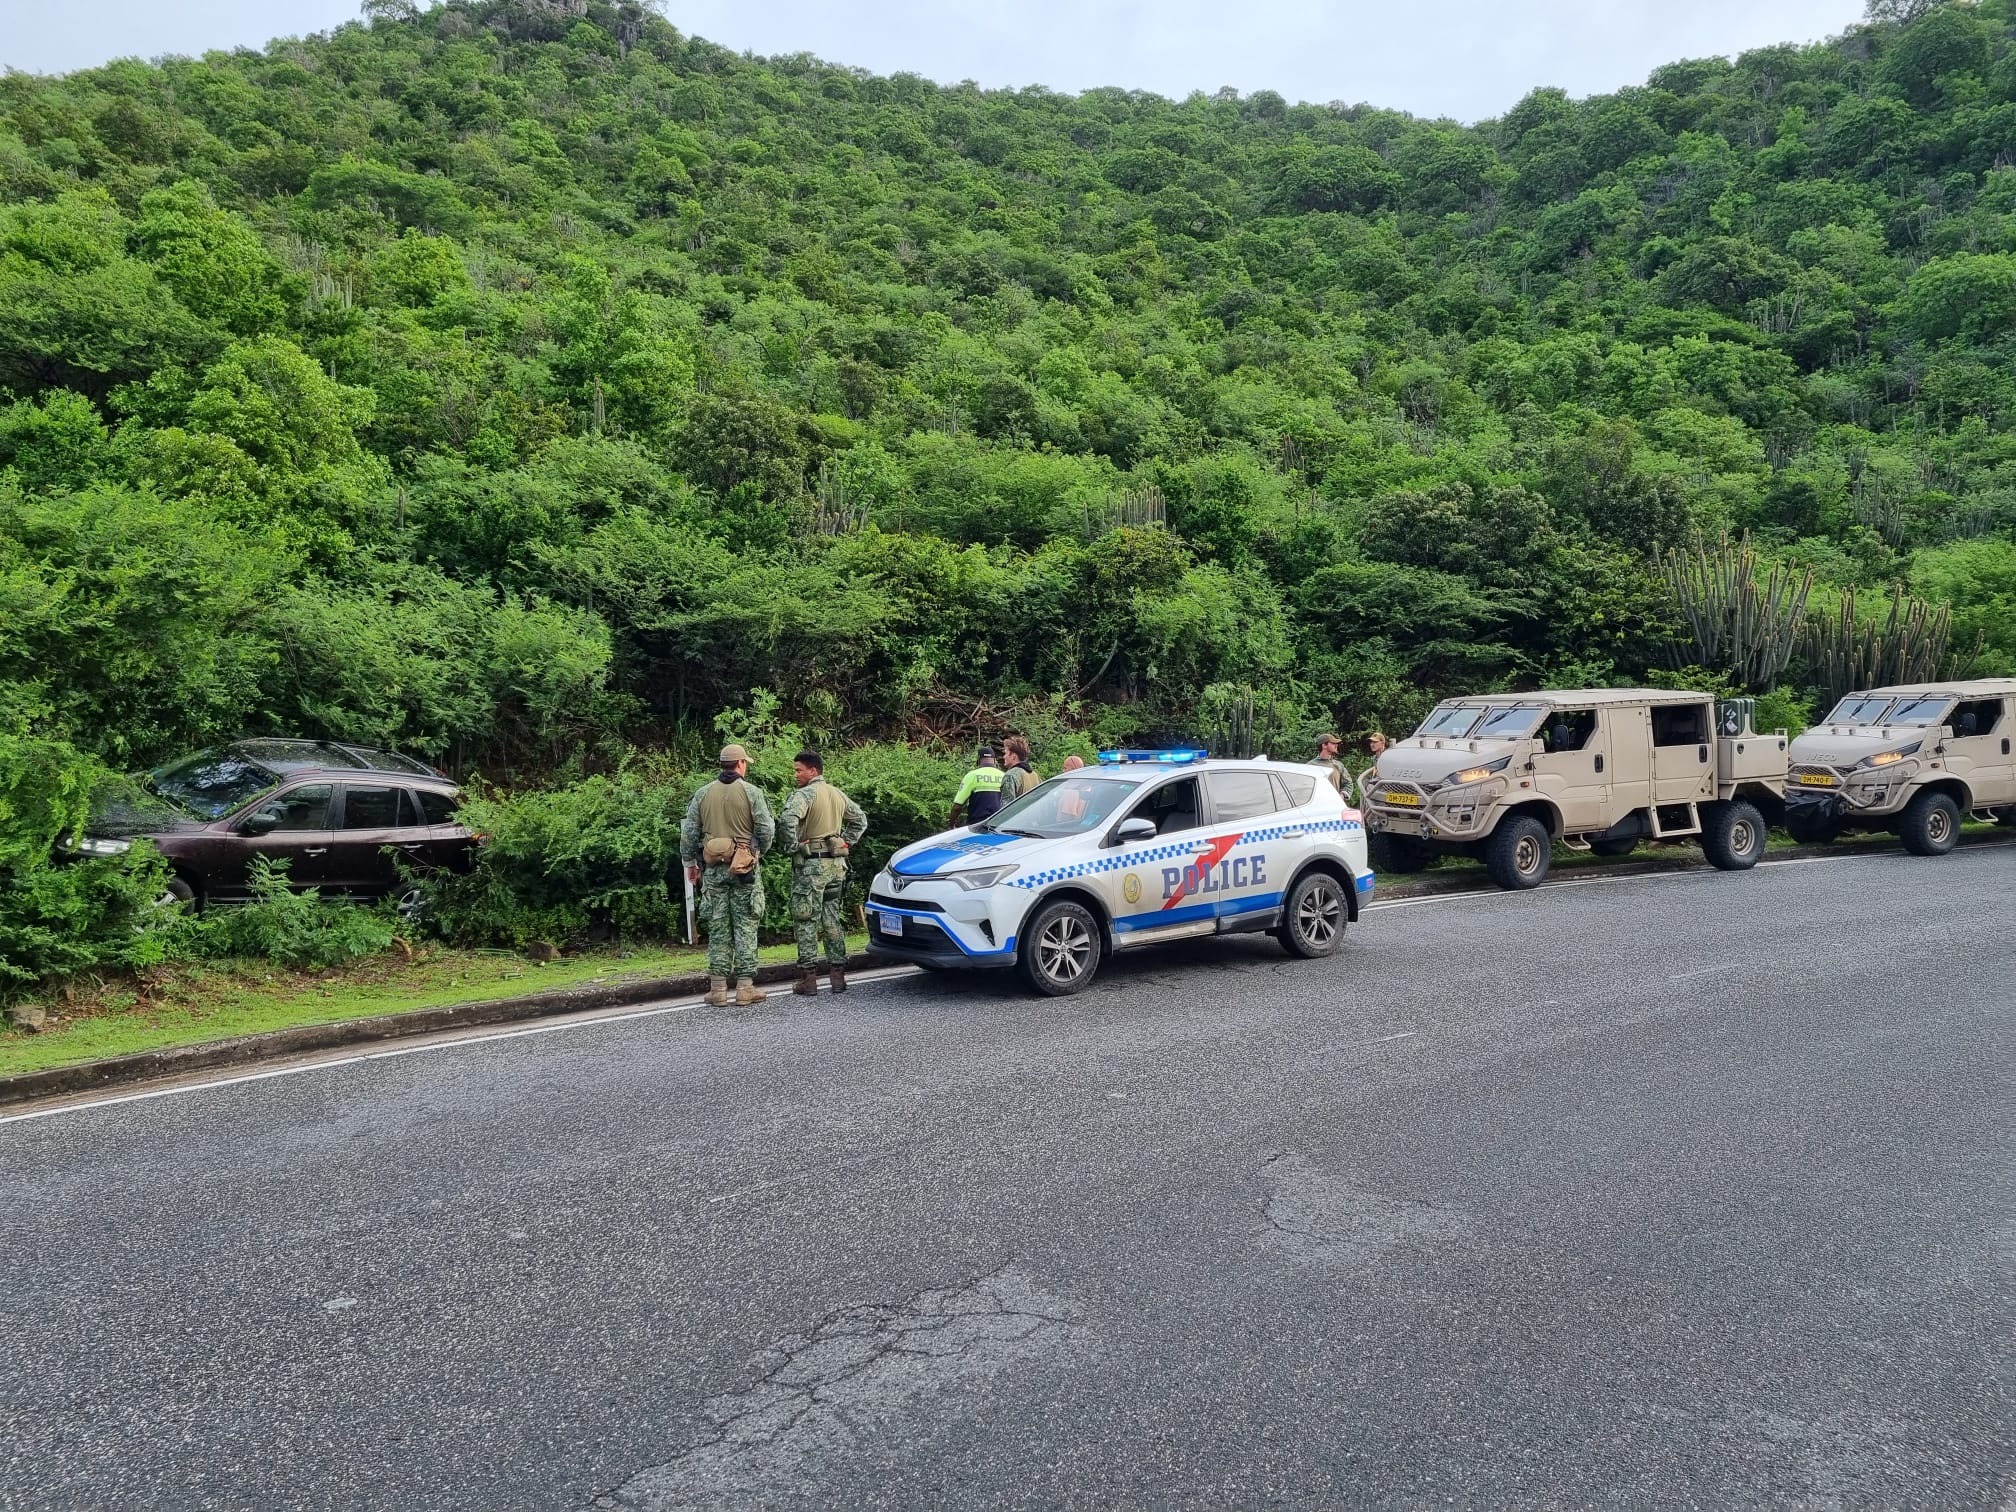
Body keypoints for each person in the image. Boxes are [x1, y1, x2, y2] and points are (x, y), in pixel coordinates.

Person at [681, 743, 776, 1007]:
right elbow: (767, 829)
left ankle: (718, 989)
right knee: (746, 925)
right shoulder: (752, 792)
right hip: (744, 868)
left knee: (718, 926)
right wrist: (757, 852)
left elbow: (689, 833)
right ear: (741, 764)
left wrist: (690, 863)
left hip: (713, 870)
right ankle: (745, 988)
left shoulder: (702, 794)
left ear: (722, 764)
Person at [779, 749, 867, 999]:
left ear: (813, 771)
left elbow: (787, 820)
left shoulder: (804, 795)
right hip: (836, 866)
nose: (795, 774)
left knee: (806, 919)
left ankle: (808, 979)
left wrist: (792, 846)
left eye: (799, 770)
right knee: (831, 918)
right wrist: (845, 842)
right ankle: (838, 977)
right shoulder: (837, 793)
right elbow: (860, 820)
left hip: (812, 866)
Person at [948, 747, 1007, 827]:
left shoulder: (972, 776)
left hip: (977, 825)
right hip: (999, 824)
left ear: (978, 760)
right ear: (994, 761)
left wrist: (952, 824)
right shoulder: (1004, 776)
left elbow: (957, 807)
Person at [999, 736, 1037, 803]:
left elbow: (1007, 805)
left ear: (1013, 756)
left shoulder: (1010, 776)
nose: (1004, 757)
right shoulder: (1035, 775)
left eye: (1005, 753)